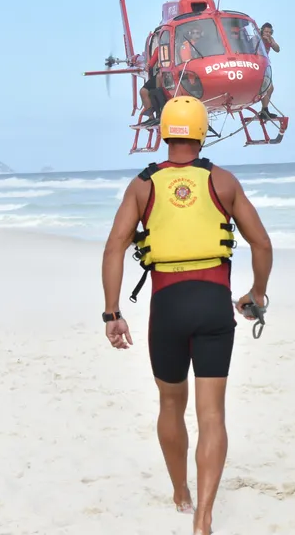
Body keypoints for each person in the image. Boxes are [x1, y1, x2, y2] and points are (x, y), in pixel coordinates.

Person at [100, 96, 274, 535]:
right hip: (214, 305)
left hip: (168, 307)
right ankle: (204, 518)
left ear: (165, 133)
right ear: (201, 133)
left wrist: (112, 313)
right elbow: (263, 245)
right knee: (212, 415)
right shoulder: (223, 182)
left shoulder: (143, 185)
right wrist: (257, 294)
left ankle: (181, 492)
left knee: (170, 405)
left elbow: (113, 248)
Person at [258, 22, 279, 120]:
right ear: (262, 31)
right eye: (266, 32)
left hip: (264, 66)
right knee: (267, 88)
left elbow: (277, 49)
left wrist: (271, 42)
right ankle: (264, 110)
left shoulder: (270, 39)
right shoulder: (257, 38)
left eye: (269, 32)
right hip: (256, 65)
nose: (267, 34)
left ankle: (264, 110)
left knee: (270, 88)